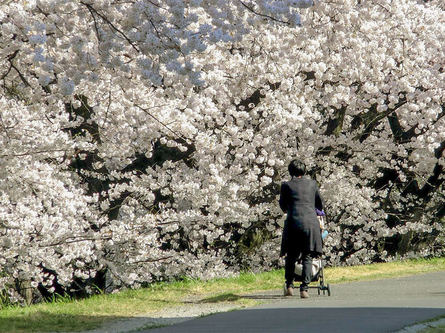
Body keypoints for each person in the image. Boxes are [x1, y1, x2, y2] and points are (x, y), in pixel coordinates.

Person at [279, 159, 324, 298]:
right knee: (307, 255)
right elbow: (319, 203)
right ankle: (304, 288)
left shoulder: (286, 185)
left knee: (291, 256)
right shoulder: (312, 184)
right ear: (304, 171)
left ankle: (289, 285)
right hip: (310, 222)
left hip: (293, 222)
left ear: (290, 171)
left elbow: (283, 205)